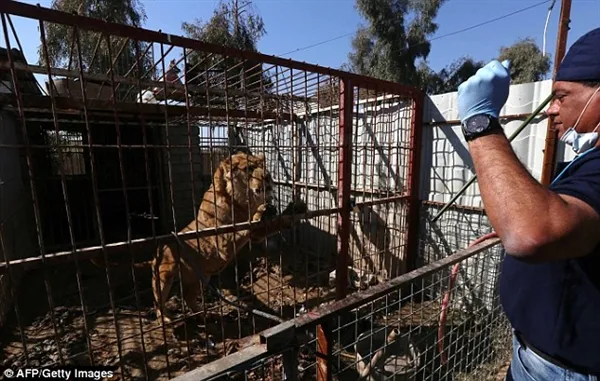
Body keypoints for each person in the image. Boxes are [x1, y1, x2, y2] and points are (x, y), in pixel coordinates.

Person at [456, 27, 600, 381]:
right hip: (543, 360)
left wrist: (480, 122)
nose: (551, 110)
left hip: (564, 372)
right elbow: (568, 220)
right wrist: (508, 226)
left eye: (562, 96)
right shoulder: (590, 159)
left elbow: (529, 233)